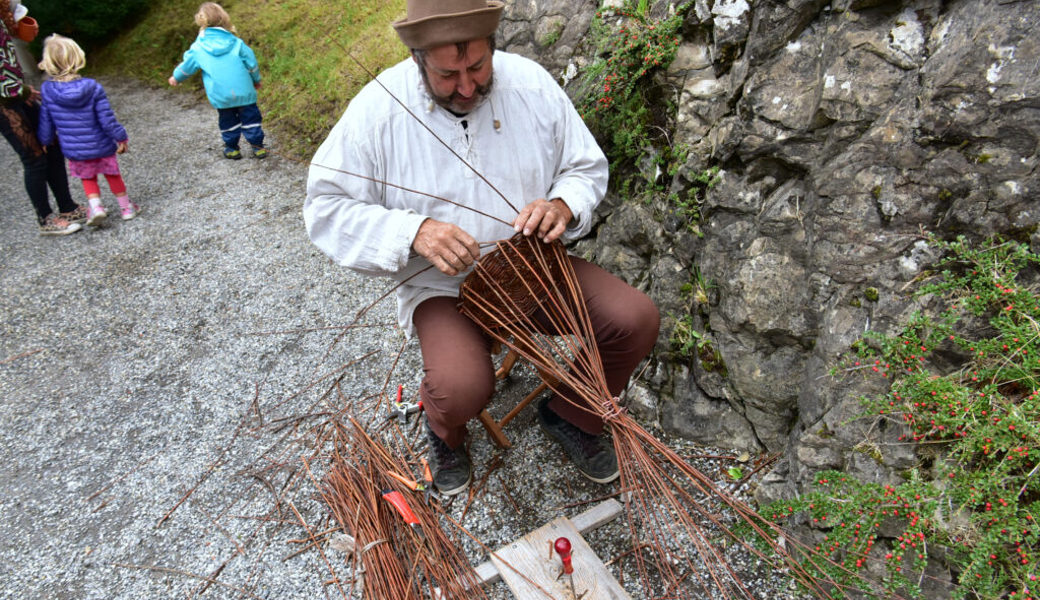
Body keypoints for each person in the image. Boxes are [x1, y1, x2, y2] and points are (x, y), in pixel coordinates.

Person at [305, 0, 660, 497]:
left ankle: (570, 414)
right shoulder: (378, 108)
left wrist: (562, 204)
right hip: (443, 286)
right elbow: (326, 206)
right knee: (460, 389)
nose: (468, 87)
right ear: (418, 59)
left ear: (493, 46)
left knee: (636, 318)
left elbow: (584, 167)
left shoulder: (530, 83)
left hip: (530, 267)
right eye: (449, 74)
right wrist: (414, 232)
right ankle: (445, 433)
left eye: (477, 66)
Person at [0, 3, 83, 236]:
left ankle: (68, 207)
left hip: (17, 92)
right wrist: (21, 91)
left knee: (51, 145)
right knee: (33, 157)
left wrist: (22, 88)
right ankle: (45, 219)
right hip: (4, 103)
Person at [37, 34, 139, 225]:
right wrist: (121, 137)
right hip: (102, 145)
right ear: (77, 57)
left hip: (74, 149)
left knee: (88, 178)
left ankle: (96, 207)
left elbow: (46, 120)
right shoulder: (92, 87)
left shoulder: (48, 90)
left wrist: (44, 140)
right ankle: (126, 208)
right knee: (112, 174)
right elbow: (107, 119)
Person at [167, 2, 266, 160]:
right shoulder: (236, 42)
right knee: (251, 118)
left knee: (228, 121)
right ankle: (258, 147)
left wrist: (176, 77)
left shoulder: (199, 47)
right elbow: (251, 64)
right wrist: (256, 80)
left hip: (221, 94)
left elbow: (187, 66)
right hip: (244, 91)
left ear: (201, 21)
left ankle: (232, 148)